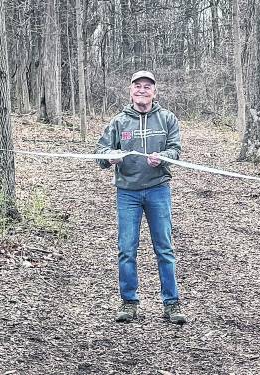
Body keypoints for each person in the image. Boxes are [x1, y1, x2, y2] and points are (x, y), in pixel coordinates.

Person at [96, 70, 187, 324]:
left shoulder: (167, 119)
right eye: (138, 86)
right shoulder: (118, 122)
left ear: (154, 92)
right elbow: (100, 152)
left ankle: (172, 303)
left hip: (158, 189)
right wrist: (109, 157)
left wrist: (164, 157)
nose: (142, 90)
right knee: (127, 249)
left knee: (165, 249)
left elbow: (176, 149)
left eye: (147, 87)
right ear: (131, 91)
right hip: (127, 193)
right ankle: (129, 302)